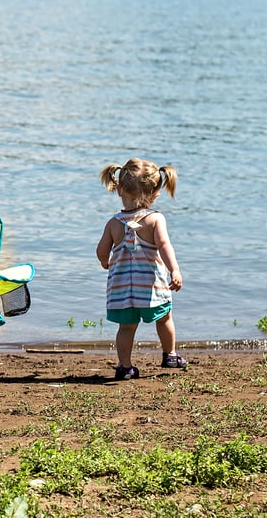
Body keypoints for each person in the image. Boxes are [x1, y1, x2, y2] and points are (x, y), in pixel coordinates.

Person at [95, 157, 186, 380]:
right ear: (156, 193)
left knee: (126, 328)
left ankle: (125, 367)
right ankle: (170, 355)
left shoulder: (114, 222)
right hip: (151, 287)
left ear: (119, 190)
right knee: (164, 318)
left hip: (122, 289)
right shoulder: (155, 219)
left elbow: (101, 250)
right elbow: (165, 246)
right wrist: (174, 270)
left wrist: (105, 261)